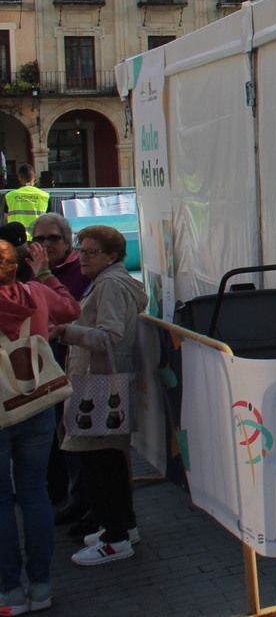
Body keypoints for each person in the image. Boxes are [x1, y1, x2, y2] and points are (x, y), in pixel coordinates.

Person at [51, 226, 146, 567]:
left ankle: (115, 537)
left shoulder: (109, 285)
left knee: (100, 464)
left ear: (112, 256)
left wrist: (66, 332)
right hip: (102, 381)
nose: (82, 257)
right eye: (82, 250)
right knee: (106, 461)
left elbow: (110, 335)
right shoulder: (109, 281)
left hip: (100, 383)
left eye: (91, 252)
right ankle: (122, 527)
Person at [0, 239, 80, 612]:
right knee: (34, 493)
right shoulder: (36, 292)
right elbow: (71, 310)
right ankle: (42, 586)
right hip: (37, 403)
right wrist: (47, 273)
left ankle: (10, 591)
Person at [26, 214, 91, 529]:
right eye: (39, 239)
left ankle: (81, 500)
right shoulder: (29, 273)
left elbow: (74, 311)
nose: (46, 245)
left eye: (53, 238)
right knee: (55, 434)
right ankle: (62, 495)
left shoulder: (80, 271)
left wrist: (45, 276)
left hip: (74, 360)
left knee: (74, 433)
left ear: (67, 241)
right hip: (42, 366)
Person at [3, 166, 49, 241]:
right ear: (34, 177)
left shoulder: (10, 196)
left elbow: (6, 218)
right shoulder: (44, 196)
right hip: (37, 240)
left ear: (19, 178)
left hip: (16, 240)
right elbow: (49, 219)